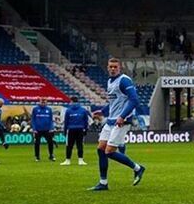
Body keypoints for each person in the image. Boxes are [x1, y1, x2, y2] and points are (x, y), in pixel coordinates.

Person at [89, 58, 146, 191]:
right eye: (111, 67)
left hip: (121, 121)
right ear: (107, 67)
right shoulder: (110, 81)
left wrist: (122, 116)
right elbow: (114, 103)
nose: (113, 69)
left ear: (120, 68)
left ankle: (137, 168)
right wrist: (102, 111)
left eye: (115, 67)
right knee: (101, 149)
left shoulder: (124, 80)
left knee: (109, 151)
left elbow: (134, 100)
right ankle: (103, 183)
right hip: (111, 121)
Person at [62, 97, 91, 165]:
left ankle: (67, 160)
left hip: (71, 130)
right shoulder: (83, 110)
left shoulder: (68, 110)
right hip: (80, 129)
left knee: (69, 145)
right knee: (80, 145)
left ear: (71, 101)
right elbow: (86, 121)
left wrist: (65, 131)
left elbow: (66, 122)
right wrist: (85, 129)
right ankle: (80, 160)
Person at [31, 97, 56, 162]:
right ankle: (37, 156)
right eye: (42, 102)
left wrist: (51, 128)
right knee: (37, 143)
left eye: (44, 102)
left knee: (50, 142)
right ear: (39, 102)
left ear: (46, 102)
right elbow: (33, 119)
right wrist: (34, 128)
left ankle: (51, 155)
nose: (43, 103)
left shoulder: (49, 109)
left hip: (47, 129)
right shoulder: (35, 109)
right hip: (38, 130)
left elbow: (51, 120)